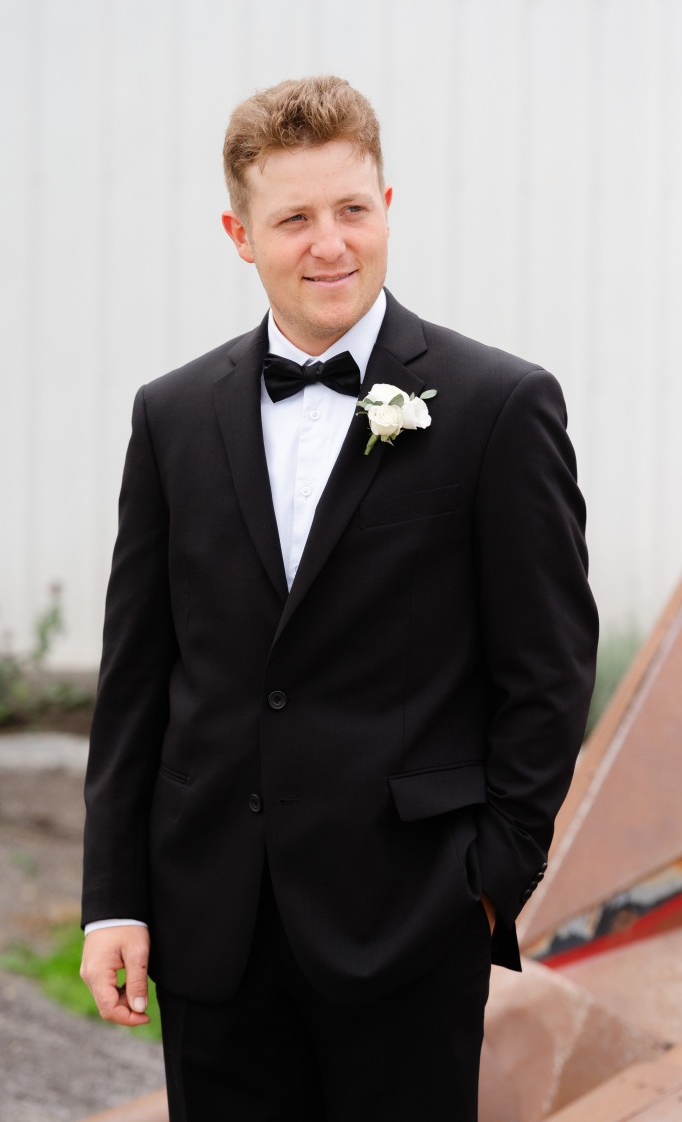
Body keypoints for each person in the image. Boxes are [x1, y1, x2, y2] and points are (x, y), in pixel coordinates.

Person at [77, 75, 597, 1120]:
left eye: (353, 209)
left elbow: (547, 670)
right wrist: (114, 902)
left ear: (388, 208)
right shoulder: (171, 414)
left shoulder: (500, 405)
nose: (331, 244)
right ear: (240, 233)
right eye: (295, 218)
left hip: (409, 917)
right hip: (212, 924)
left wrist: (491, 880)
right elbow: (138, 677)